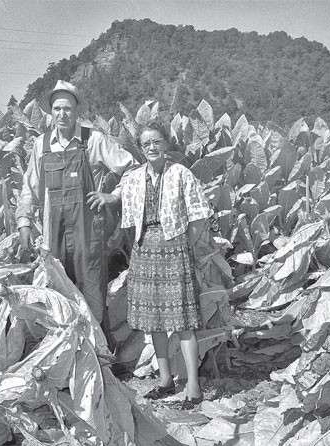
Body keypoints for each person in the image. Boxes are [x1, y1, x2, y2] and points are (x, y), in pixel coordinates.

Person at [15, 80, 138, 333]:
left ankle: (99, 358)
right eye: (57, 108)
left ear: (77, 111)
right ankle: (66, 358)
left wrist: (114, 196)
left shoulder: (93, 141)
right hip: (53, 234)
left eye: (68, 109)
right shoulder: (42, 145)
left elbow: (133, 168)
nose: (62, 114)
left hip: (88, 233)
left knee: (92, 292)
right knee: (58, 294)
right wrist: (24, 222)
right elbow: (29, 188)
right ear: (51, 112)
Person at [120, 123, 212, 410]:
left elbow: (199, 214)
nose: (151, 147)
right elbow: (129, 216)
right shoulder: (134, 178)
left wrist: (186, 242)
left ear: (166, 144)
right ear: (140, 147)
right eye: (145, 143)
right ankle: (164, 381)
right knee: (154, 321)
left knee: (183, 321)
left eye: (156, 141)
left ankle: (194, 388)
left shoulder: (181, 174)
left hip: (174, 247)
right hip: (144, 249)